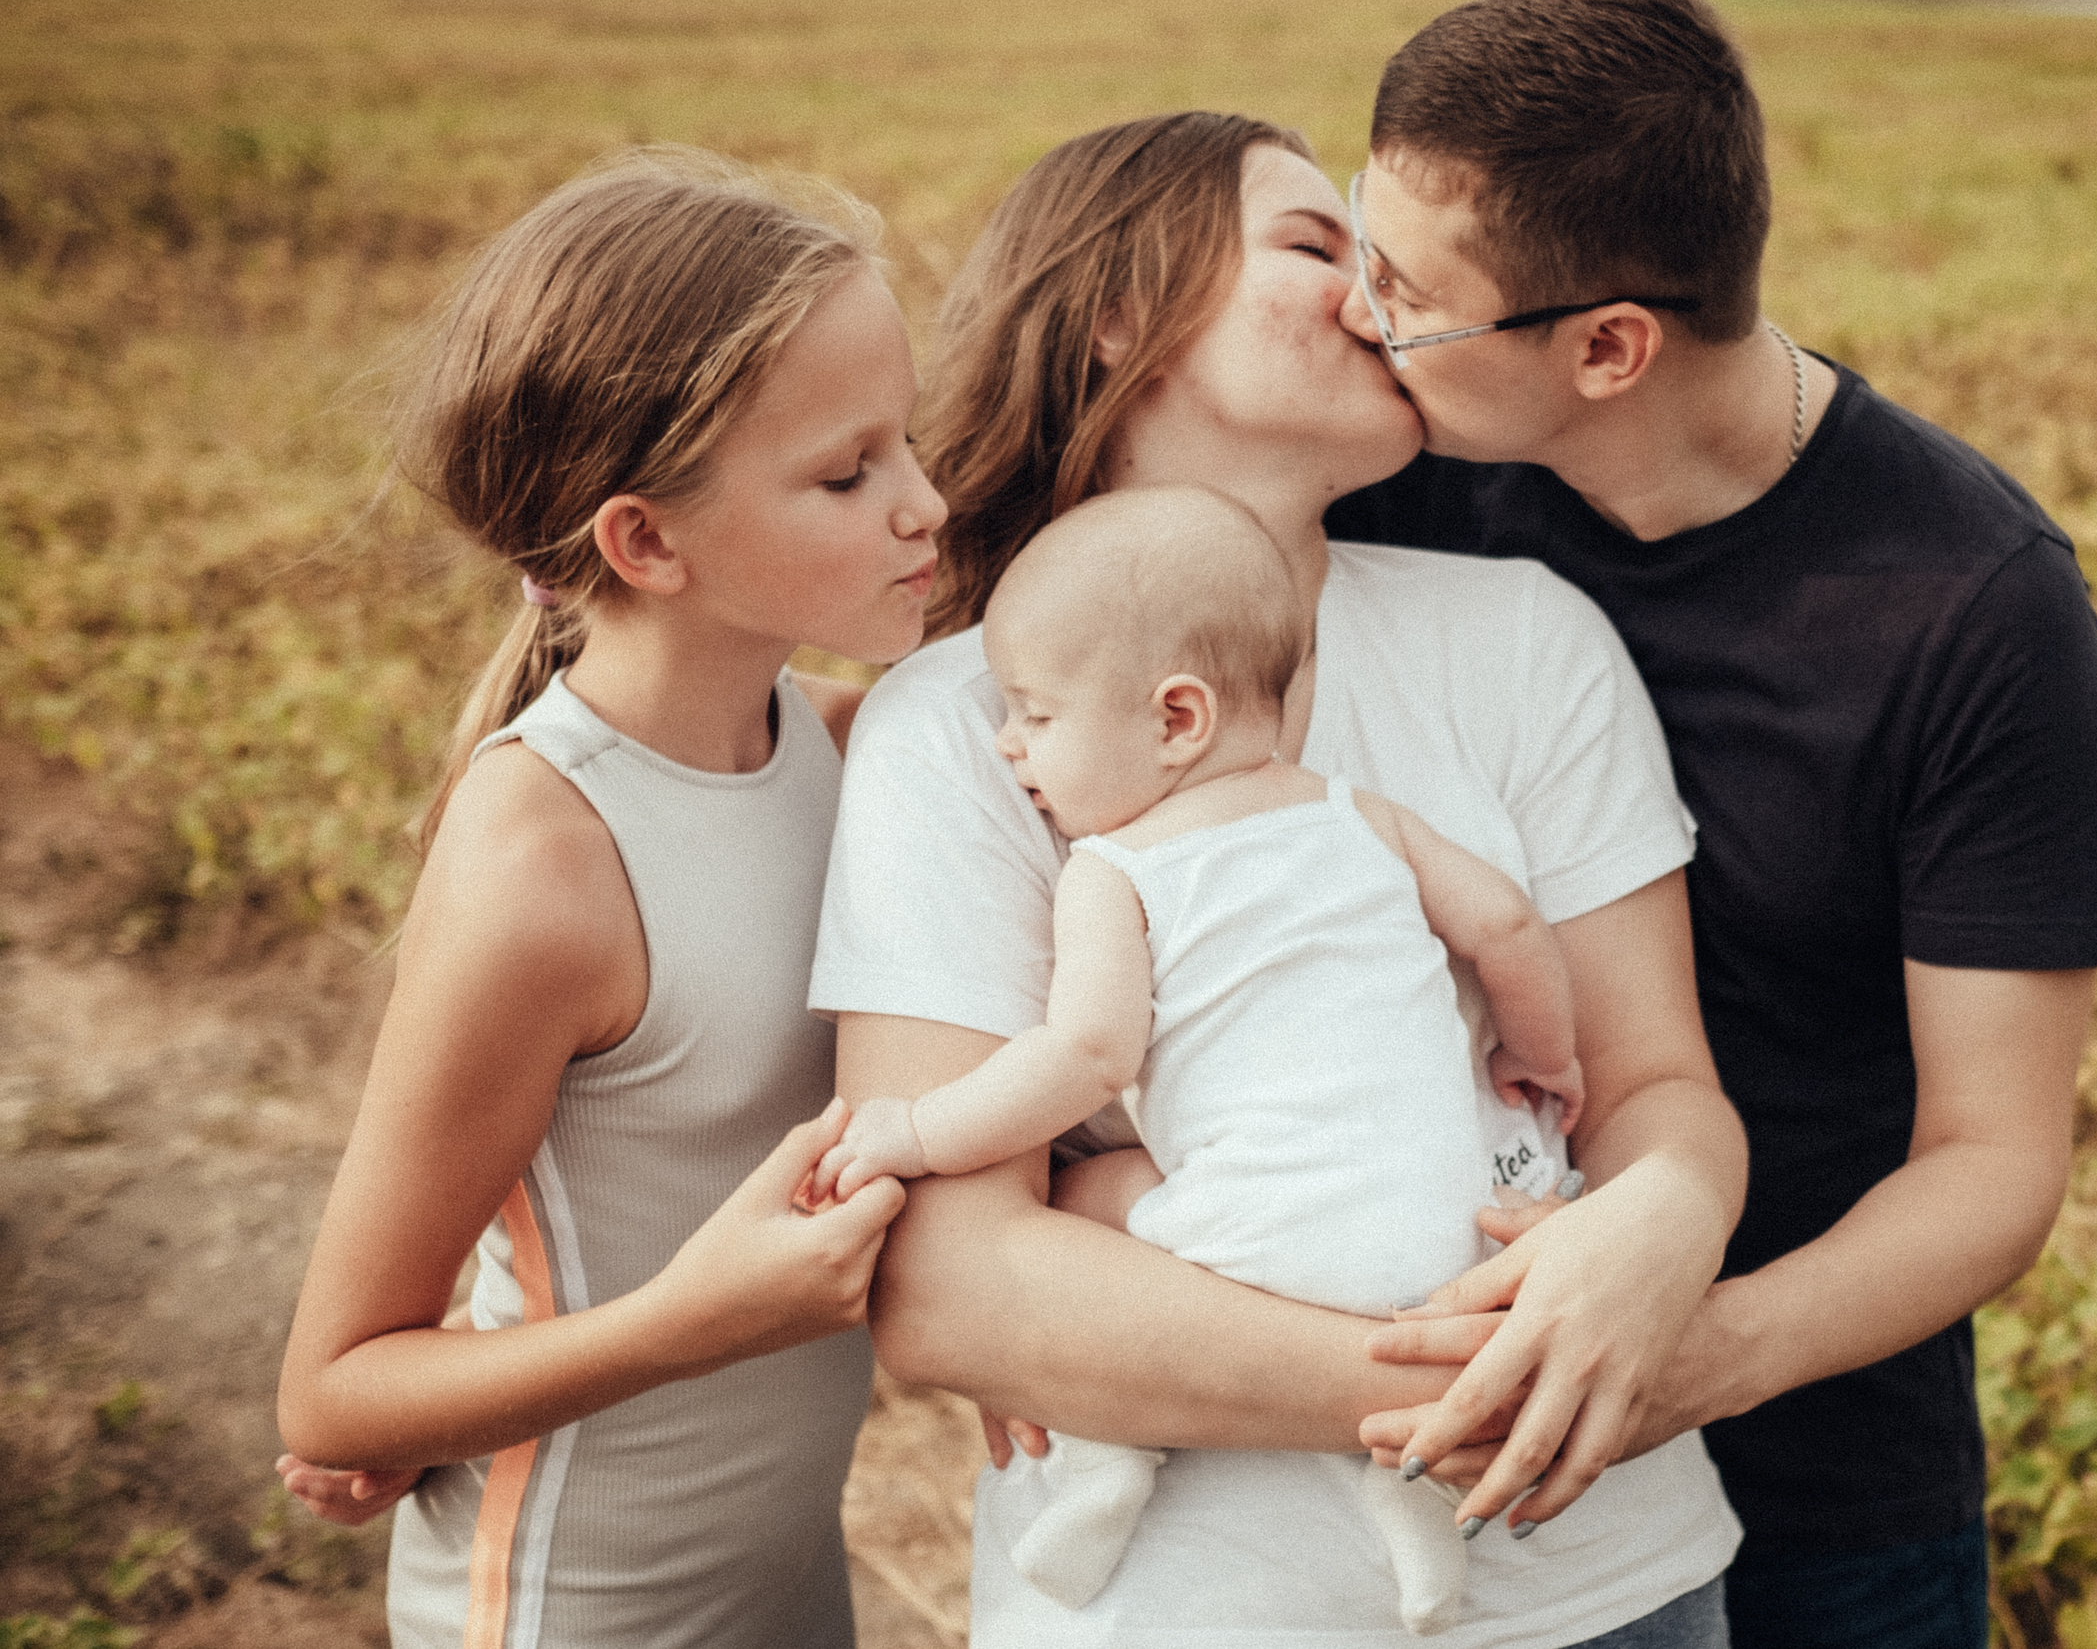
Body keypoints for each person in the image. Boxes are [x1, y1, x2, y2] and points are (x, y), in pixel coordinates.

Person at [812, 111, 1749, 1647]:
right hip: (1185, 1606)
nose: (1374, 295)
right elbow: (956, 1287)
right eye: (1316, 248)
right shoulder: (968, 726)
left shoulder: (1524, 639)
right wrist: (1488, 1379)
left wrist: (1669, 1223)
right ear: (1122, 313)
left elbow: (1649, 1085)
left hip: (1604, 1581)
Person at [1324, 0, 2097, 1648]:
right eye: (1355, 245)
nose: (1359, 312)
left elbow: (1995, 1159)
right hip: (1398, 1444)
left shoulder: (1976, 609)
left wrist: (1701, 1346)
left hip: (1828, 1493)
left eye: (1408, 288)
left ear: (1612, 345)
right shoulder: (1383, 465)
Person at [272, 147, 938, 1648]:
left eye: (909, 443)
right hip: (571, 1607)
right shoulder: (547, 858)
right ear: (646, 540)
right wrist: (702, 1315)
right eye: (850, 472)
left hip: (787, 1591)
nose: (925, 504)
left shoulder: (850, 749)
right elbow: (336, 1383)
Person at [813, 483, 1587, 1632]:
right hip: (1444, 1248)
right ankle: (1419, 1525)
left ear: (1176, 720)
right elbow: (1506, 927)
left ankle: (1105, 1452)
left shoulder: (1114, 871)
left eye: (1033, 713)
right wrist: (1543, 1055)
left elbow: (1083, 1052)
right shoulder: (1354, 814)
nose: (1006, 744)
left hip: (1261, 1258)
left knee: (1092, 1189)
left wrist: (916, 1131)